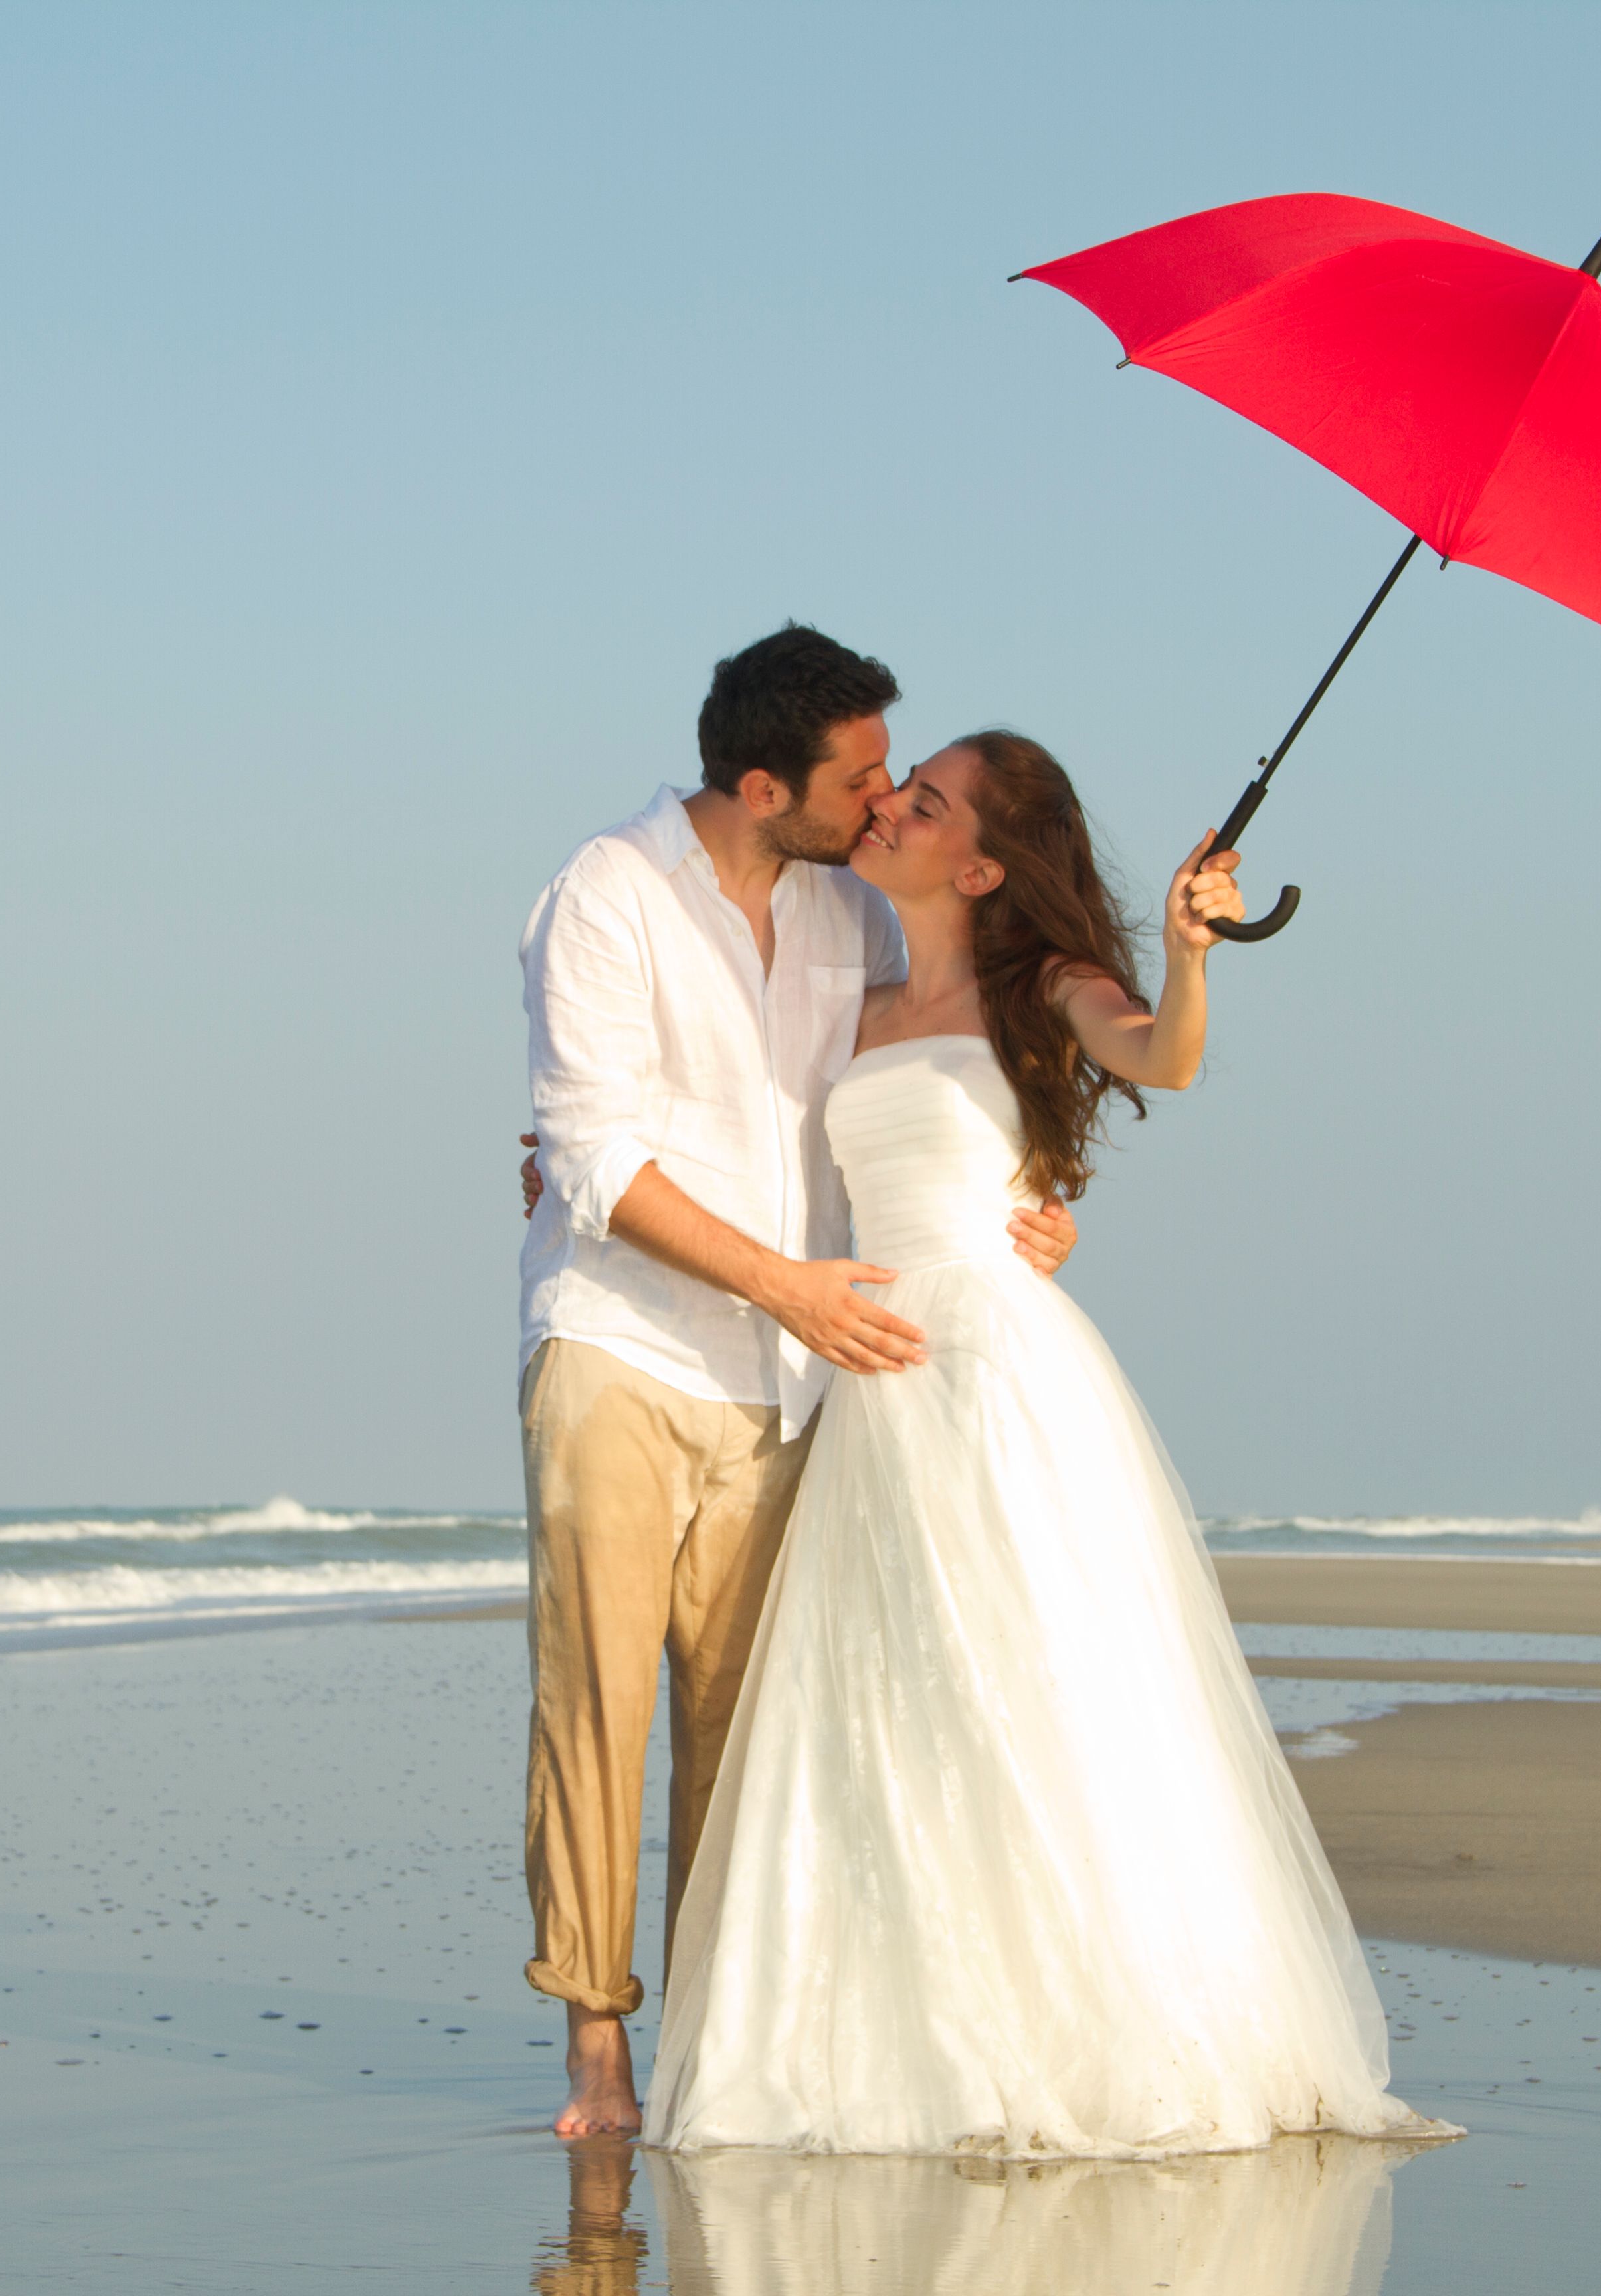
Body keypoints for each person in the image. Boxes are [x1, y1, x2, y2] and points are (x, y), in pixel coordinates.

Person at [642, 729, 1450, 2157]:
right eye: (902, 788)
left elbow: (1166, 1059)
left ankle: (1091, 2024)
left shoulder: (1044, 990)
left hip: (997, 1375)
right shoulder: (852, 997)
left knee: (1034, 1691)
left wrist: (1193, 947)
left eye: (929, 801)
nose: (893, 807)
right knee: (889, 1715)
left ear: (984, 863)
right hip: (872, 1375)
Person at [518, 628, 1078, 2141]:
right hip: (621, 1353)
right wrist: (785, 1285)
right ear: (764, 784)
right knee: (596, 1702)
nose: (886, 794)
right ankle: (597, 2044)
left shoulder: (855, 917)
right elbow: (594, 1158)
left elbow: (965, 1049)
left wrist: (1027, 1195)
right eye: (862, 774)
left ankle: (709, 2035)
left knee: (743, 1728)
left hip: (794, 1383)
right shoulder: (607, 897)